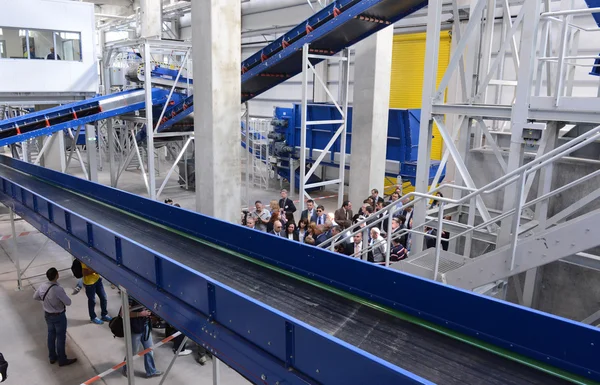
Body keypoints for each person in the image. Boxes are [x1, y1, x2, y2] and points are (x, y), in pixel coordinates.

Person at [33, 267, 77, 367]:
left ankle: (52, 357)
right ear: (57, 275)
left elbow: (35, 297)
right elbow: (68, 302)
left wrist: (45, 301)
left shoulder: (43, 286)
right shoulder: (58, 289)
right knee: (60, 338)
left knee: (51, 335)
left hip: (47, 315)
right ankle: (62, 360)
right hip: (58, 316)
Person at [122, 297, 163, 378]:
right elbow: (123, 313)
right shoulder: (130, 296)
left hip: (146, 326)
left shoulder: (147, 294)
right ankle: (126, 368)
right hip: (135, 328)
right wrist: (140, 314)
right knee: (133, 352)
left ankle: (151, 371)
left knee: (150, 349)